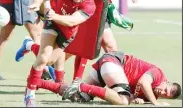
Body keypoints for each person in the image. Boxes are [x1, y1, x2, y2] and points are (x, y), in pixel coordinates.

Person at [24, 0, 96, 107]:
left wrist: (54, 16)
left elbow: (72, 21)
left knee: (50, 61)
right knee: (42, 59)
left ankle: (29, 45)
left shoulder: (90, 6)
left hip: (67, 32)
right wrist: (36, 2)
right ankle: (30, 94)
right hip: (53, 24)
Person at [29, 51, 181, 106]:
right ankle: (81, 86)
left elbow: (135, 92)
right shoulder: (158, 74)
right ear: (167, 82)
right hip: (114, 63)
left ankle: (36, 82)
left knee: (78, 98)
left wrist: (137, 99)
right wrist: (156, 104)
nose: (161, 91)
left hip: (109, 69)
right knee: (123, 101)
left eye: (163, 94)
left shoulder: (153, 93)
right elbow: (143, 82)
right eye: (165, 89)